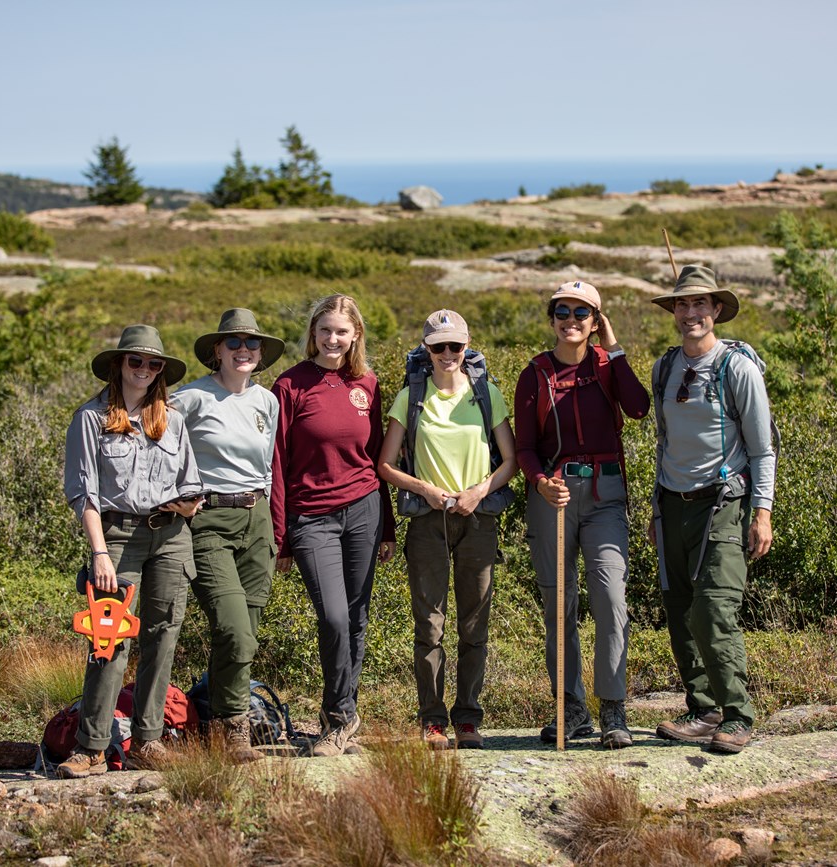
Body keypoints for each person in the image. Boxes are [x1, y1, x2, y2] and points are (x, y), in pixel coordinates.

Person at [59, 325, 204, 778]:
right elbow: (84, 494)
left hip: (170, 536)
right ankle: (91, 747)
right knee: (109, 641)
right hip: (117, 537)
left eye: (153, 363)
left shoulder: (173, 420)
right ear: (118, 365)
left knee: (163, 635)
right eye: (135, 361)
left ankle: (147, 739)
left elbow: (191, 481)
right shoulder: (90, 418)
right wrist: (99, 553)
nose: (143, 370)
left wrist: (191, 502)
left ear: (162, 371)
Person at [514, 281, 650, 749]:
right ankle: (570, 709)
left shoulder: (607, 365)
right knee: (560, 604)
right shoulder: (534, 373)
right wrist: (540, 482)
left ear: (596, 321)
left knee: (611, 597)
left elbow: (638, 407)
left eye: (582, 313)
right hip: (552, 495)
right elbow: (526, 447)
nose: (570, 321)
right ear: (551, 319)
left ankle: (613, 709)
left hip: (605, 493)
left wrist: (615, 350)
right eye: (562, 312)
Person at [378, 310, 518, 751]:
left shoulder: (487, 393)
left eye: (455, 346)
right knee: (430, 626)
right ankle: (433, 720)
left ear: (467, 346)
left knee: (475, 624)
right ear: (426, 349)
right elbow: (384, 464)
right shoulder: (410, 396)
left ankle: (469, 719)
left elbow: (511, 461)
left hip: (478, 519)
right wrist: (425, 489)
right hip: (427, 520)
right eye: (438, 347)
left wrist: (479, 490)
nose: (447, 355)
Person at [649, 264, 774, 754]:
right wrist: (656, 508)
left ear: (716, 310)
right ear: (674, 312)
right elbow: (662, 439)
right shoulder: (664, 367)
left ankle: (738, 715)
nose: (691, 313)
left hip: (723, 504)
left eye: (701, 303)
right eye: (682, 304)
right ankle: (703, 710)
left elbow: (763, 449)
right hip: (672, 504)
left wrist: (761, 512)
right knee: (679, 610)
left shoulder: (736, 367)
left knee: (714, 610)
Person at [271, 294, 396, 757]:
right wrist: (281, 535)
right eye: (325, 330)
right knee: (334, 616)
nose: (333, 338)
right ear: (313, 333)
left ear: (355, 335)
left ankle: (338, 718)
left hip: (364, 508)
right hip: (312, 516)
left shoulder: (367, 383)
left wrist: (388, 528)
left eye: (342, 331)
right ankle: (341, 715)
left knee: (358, 617)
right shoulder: (290, 385)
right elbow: (277, 463)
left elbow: (378, 455)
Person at [173, 308, 285, 762]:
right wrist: (175, 498)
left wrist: (275, 528)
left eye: (252, 344)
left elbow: (269, 468)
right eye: (234, 343)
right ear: (216, 351)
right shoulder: (191, 399)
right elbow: (151, 440)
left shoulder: (267, 402)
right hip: (209, 521)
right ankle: (233, 731)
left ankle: (215, 720)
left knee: (248, 631)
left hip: (256, 520)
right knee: (234, 630)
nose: (244, 350)